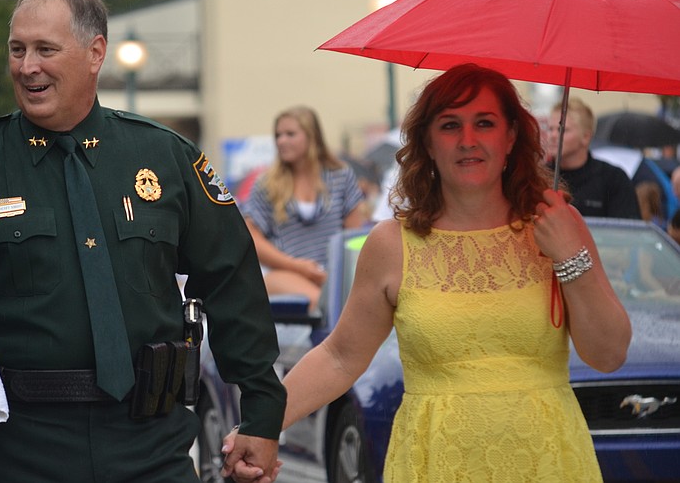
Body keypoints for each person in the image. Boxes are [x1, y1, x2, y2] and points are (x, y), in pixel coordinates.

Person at [0, 0, 285, 483]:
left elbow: (233, 283)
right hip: (22, 447)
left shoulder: (166, 159)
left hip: (152, 446)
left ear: (95, 53)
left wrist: (262, 412)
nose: (27, 66)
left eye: (44, 49)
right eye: (17, 50)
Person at [222, 63, 632, 482]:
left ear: (511, 137)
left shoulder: (560, 226)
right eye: (450, 125)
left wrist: (569, 256)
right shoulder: (390, 244)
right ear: (428, 143)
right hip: (435, 460)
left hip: (549, 460)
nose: (468, 140)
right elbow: (340, 357)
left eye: (485, 123)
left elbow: (609, 354)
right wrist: (261, 424)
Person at [242, 106, 368, 310]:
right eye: (278, 135)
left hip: (334, 276)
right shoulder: (266, 183)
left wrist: (338, 274)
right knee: (323, 306)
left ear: (312, 136)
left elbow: (353, 237)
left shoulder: (341, 177)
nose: (281, 141)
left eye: (290, 134)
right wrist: (296, 266)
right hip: (284, 272)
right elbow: (251, 238)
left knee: (342, 307)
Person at [547, 97, 641, 218]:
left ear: (586, 137)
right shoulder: (538, 178)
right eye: (550, 129)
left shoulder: (613, 179)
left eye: (562, 130)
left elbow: (627, 230)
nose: (553, 135)